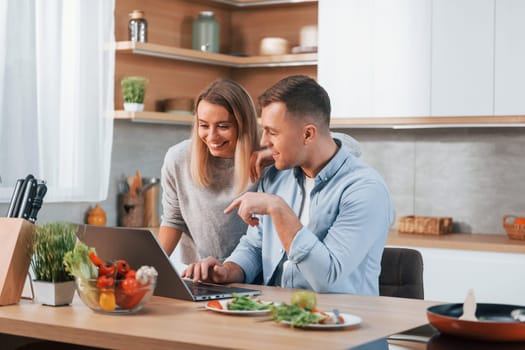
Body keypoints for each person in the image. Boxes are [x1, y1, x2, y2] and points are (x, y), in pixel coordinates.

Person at [182, 75, 394, 295]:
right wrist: (226, 270)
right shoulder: (276, 178)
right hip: (276, 315)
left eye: (273, 132)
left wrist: (278, 209)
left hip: (339, 321)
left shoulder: (365, 190)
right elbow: (255, 247)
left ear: (308, 134)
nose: (263, 142)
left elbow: (328, 278)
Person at [159, 78, 362, 267]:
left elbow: (349, 147)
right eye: (203, 125)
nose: (211, 136)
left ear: (243, 124)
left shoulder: (274, 154)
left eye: (223, 126)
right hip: (202, 273)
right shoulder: (179, 158)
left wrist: (269, 154)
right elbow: (173, 220)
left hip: (254, 272)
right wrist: (151, 269)